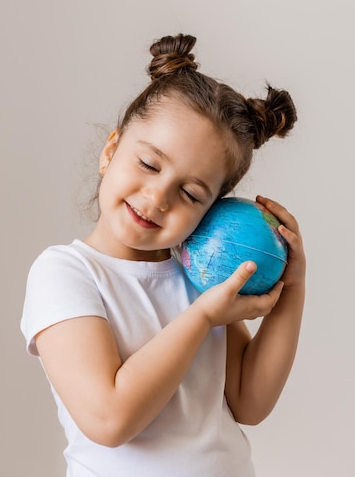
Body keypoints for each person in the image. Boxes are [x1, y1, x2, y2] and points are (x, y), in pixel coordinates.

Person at [21, 34, 306, 477]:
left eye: (190, 193)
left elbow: (250, 402)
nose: (156, 198)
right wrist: (201, 318)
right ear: (111, 150)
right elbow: (109, 419)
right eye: (149, 165)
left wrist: (293, 288)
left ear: (213, 210)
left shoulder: (200, 279)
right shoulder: (65, 273)